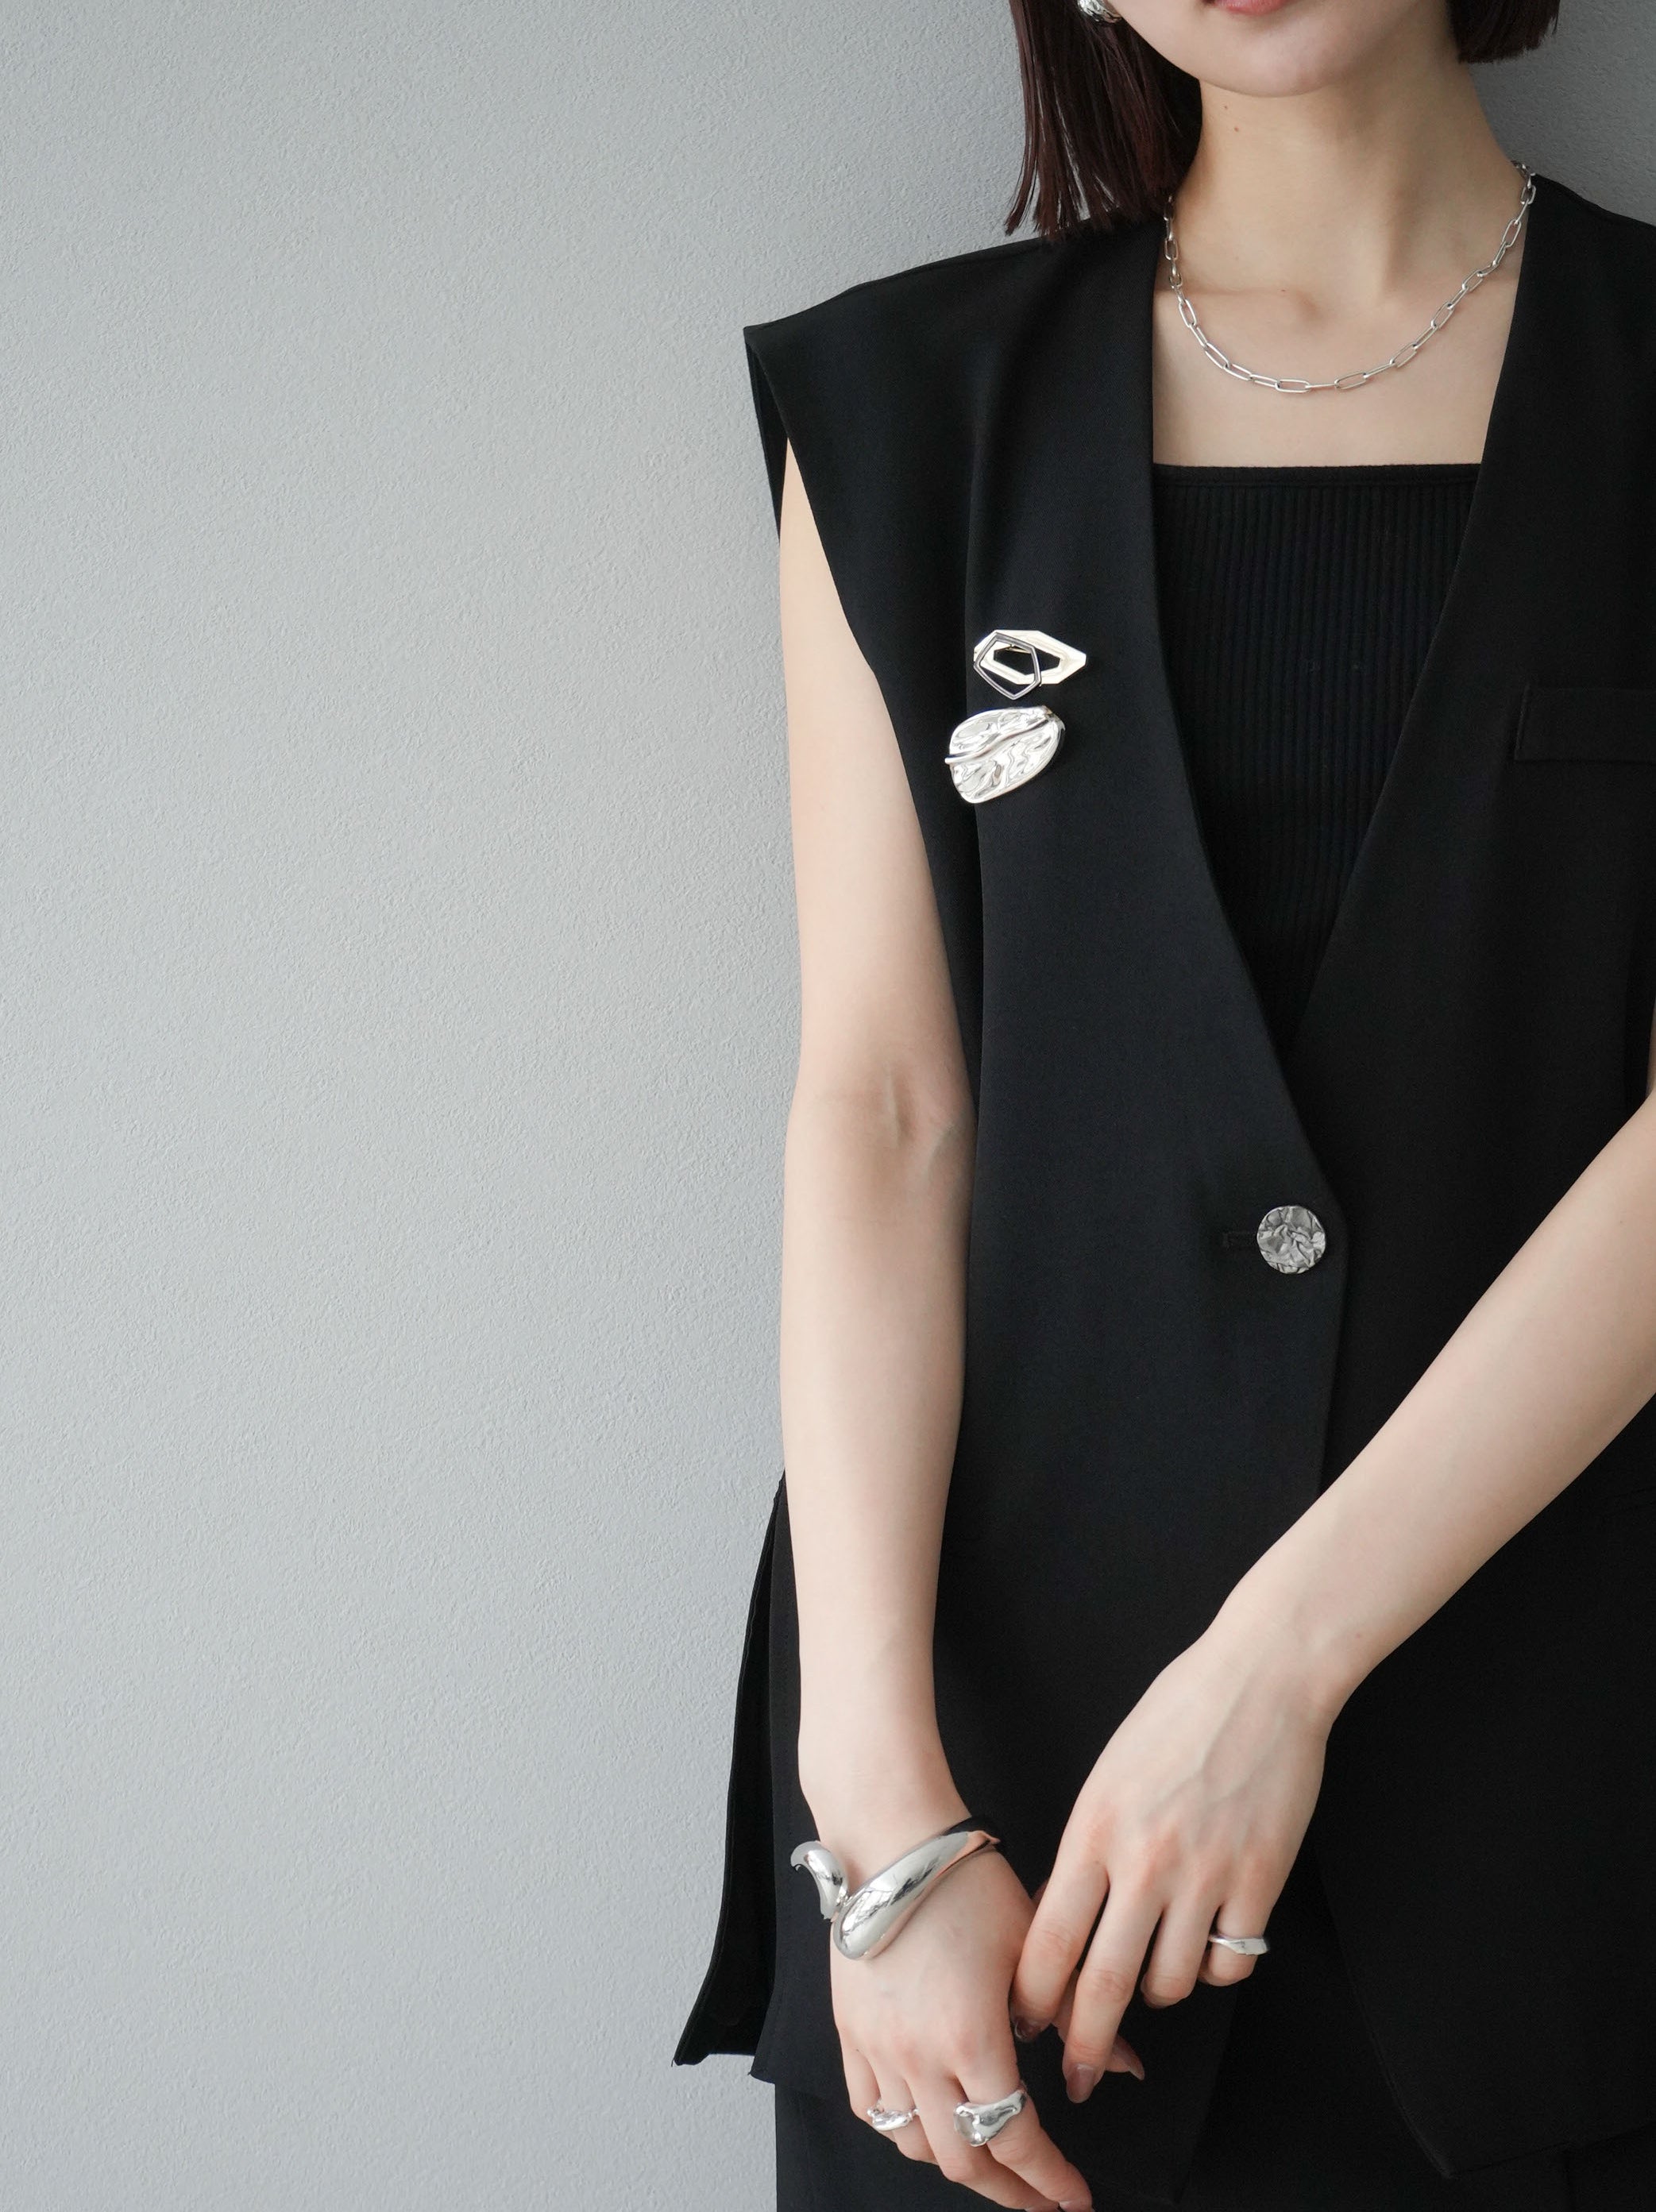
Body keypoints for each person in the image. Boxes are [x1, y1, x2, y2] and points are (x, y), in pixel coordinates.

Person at [677, 2, 1656, 2205]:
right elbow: (883, 1109)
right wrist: (879, 1817)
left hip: (1555, 1835)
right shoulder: (910, 406)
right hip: (986, 1861)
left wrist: (1276, 1670)